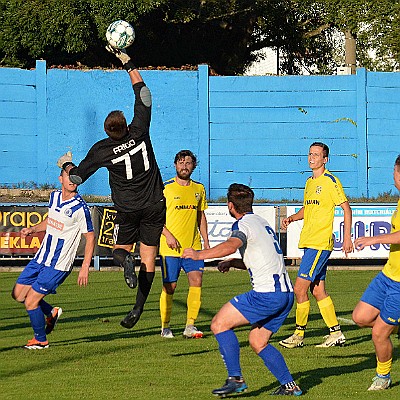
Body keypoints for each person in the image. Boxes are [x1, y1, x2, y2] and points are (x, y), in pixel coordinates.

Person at [57, 46, 166, 330]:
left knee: (118, 249)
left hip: (128, 209)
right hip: (155, 204)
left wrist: (67, 165)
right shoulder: (139, 131)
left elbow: (76, 179)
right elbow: (144, 95)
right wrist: (128, 63)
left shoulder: (103, 150)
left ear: (108, 132)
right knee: (150, 259)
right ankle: (138, 308)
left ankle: (124, 260)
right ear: (126, 126)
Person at [182, 183, 302, 397]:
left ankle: (235, 379)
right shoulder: (261, 222)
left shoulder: (242, 225)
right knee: (258, 341)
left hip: (266, 295)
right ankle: (290, 386)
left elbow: (231, 244)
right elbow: (262, 259)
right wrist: (233, 263)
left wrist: (199, 255)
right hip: (286, 295)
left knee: (219, 324)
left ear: (230, 206)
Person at [279, 142, 353, 349]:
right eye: (310, 154)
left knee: (299, 288)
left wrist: (346, 238)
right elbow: (308, 208)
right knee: (318, 291)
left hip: (320, 243)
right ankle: (336, 333)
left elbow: (347, 209)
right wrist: (293, 217)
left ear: (325, 159)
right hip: (310, 242)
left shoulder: (330, 181)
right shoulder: (309, 182)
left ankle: (298, 335)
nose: (311, 158)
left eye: (316, 155)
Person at [11, 169, 95, 349]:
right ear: (60, 179)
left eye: (75, 177)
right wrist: (33, 229)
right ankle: (51, 312)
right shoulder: (54, 196)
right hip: (41, 258)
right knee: (18, 295)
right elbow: (51, 220)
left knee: (31, 302)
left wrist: (85, 266)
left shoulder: (80, 208)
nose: (72, 180)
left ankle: (41, 340)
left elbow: (90, 236)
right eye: (69, 176)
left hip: (59, 264)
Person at [352, 155, 400, 391]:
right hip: (388, 275)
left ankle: (384, 376)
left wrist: (374, 239)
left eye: (395, 171)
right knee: (360, 317)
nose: (393, 175)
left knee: (380, 333)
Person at [159, 150, 210, 339]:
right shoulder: (165, 188)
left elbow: (200, 215)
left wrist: (205, 240)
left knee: (196, 281)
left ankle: (190, 325)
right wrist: (168, 235)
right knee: (169, 286)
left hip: (193, 247)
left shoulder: (199, 189)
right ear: (175, 165)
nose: (184, 166)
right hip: (169, 247)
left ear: (193, 166)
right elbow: (156, 217)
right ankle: (165, 326)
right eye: (181, 162)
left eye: (188, 163)